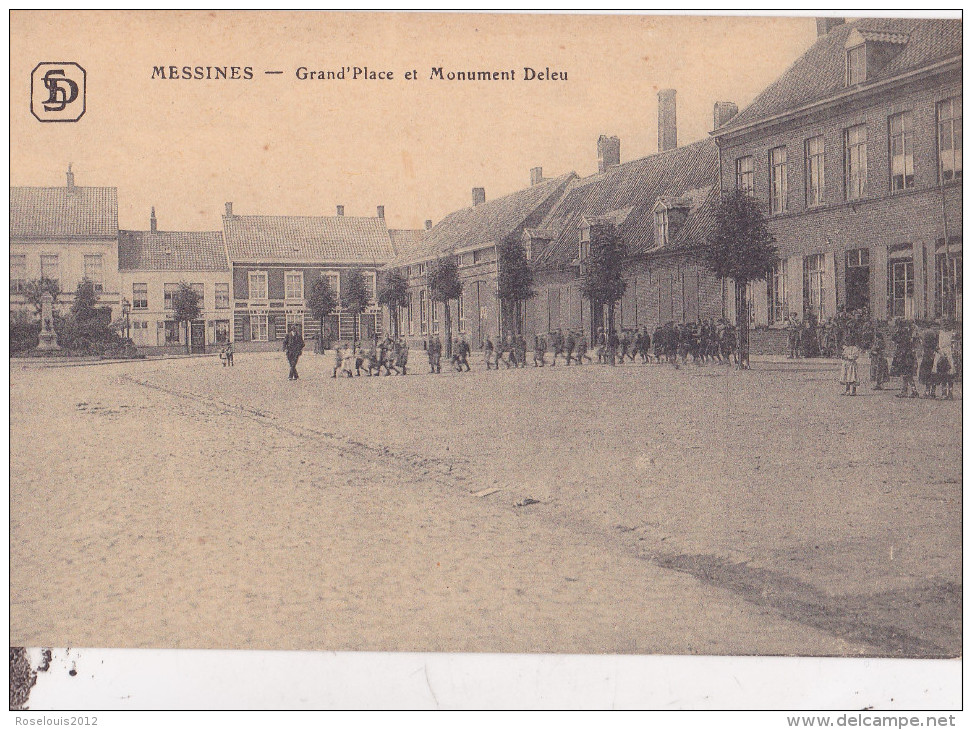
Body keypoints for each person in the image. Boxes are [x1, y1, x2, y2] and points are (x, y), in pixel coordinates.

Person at [891, 321, 919, 398]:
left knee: (907, 374)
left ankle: (913, 391)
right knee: (906, 375)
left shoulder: (903, 335)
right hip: (906, 356)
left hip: (905, 356)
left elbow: (894, 339)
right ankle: (906, 391)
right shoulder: (908, 334)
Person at [918, 328, 939, 398]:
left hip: (927, 359)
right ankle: (933, 392)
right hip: (933, 359)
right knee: (933, 375)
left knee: (926, 375)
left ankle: (927, 392)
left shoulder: (925, 344)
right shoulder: (934, 344)